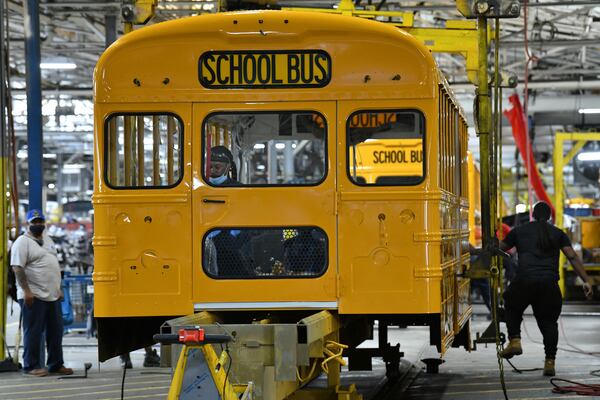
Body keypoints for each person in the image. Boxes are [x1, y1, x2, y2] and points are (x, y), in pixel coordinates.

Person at [498, 201, 593, 376]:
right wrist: (586, 280)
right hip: (549, 285)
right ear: (549, 217)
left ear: (533, 215)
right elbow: (572, 256)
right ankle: (550, 362)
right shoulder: (558, 234)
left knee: (511, 304)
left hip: (524, 281)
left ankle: (515, 340)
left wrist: (480, 250)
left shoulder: (518, 231)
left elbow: (500, 249)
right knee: (549, 323)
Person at [11, 209, 73, 377]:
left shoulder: (48, 239)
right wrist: (27, 291)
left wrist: (58, 289)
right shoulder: (22, 242)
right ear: (27, 224)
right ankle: (31, 366)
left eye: (40, 222)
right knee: (33, 331)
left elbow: (54, 265)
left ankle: (55, 364)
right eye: (34, 222)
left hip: (52, 295)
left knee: (56, 331)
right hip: (34, 295)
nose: (38, 225)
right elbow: (17, 267)